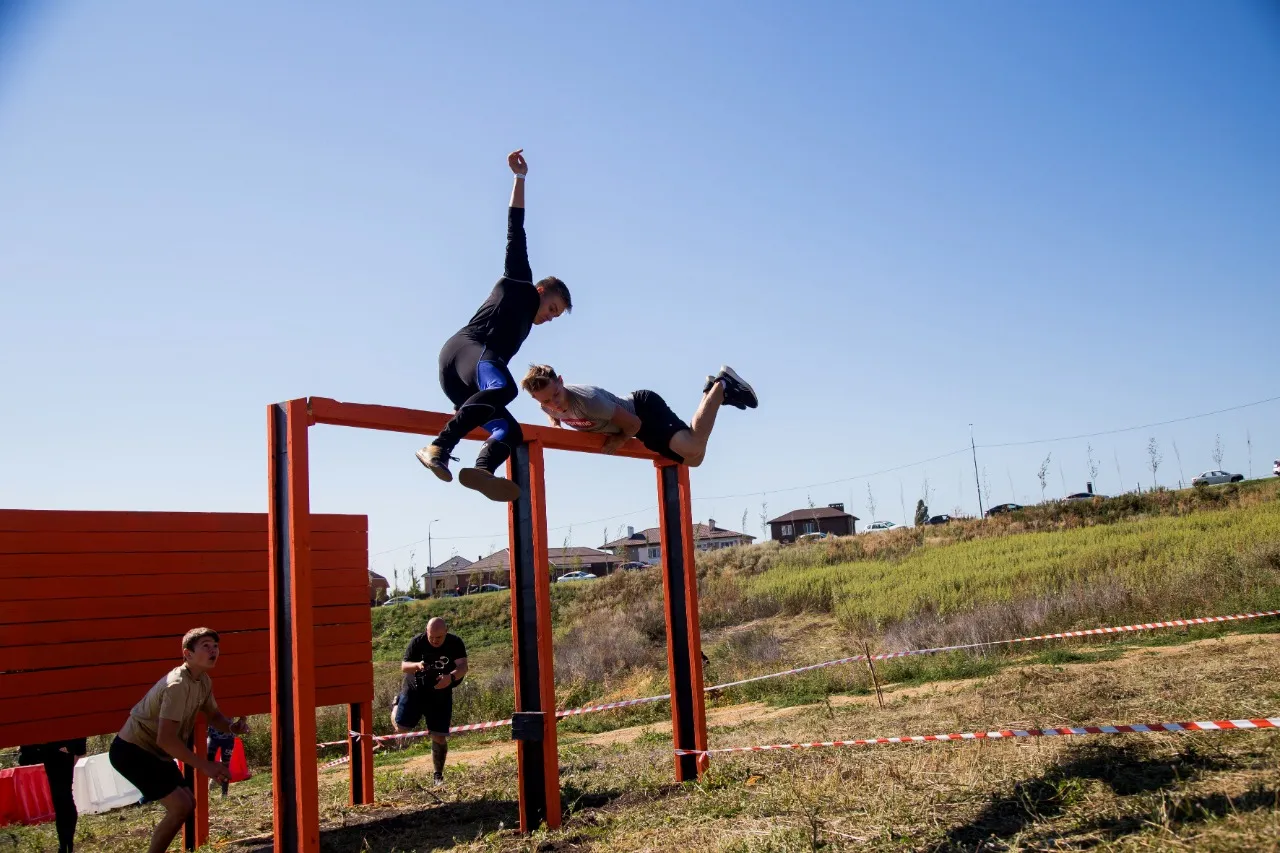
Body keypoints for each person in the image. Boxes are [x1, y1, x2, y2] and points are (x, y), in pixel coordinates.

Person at [416, 149, 572, 502]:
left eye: (555, 316)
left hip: (465, 385)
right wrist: (520, 179)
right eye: (552, 308)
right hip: (468, 351)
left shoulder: (524, 326)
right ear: (542, 290)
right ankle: (438, 446)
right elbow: (515, 229)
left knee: (509, 430)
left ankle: (483, 469)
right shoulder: (520, 281)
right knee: (506, 389)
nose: (549, 317)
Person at [108, 628, 249, 853]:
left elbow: (213, 716)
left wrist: (232, 727)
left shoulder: (202, 680)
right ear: (188, 654)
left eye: (215, 646)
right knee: (180, 806)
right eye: (206, 646)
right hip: (132, 751)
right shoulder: (177, 685)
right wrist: (206, 766)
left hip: (156, 752)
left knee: (187, 804)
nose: (214, 650)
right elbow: (166, 739)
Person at [520, 365, 757, 466]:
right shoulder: (548, 405)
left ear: (561, 381)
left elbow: (633, 423)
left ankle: (722, 385)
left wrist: (619, 441)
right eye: (546, 400)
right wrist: (555, 425)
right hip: (637, 423)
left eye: (557, 394)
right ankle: (712, 392)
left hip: (642, 411)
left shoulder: (589, 401)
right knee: (695, 459)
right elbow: (552, 413)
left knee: (693, 446)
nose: (555, 403)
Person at [394, 617, 468, 785]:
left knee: (439, 736)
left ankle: (438, 776)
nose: (434, 641)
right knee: (401, 728)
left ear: (446, 632)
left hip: (441, 693)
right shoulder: (417, 642)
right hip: (415, 691)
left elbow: (463, 666)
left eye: (439, 638)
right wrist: (418, 665)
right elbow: (404, 666)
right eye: (431, 637)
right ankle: (396, 705)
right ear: (426, 632)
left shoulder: (455, 642)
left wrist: (451, 677)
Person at [17, 738, 86, 853]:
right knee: (62, 797)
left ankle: (65, 846)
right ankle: (66, 845)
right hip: (57, 747)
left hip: (57, 747)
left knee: (62, 797)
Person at [206, 723, 236, 797]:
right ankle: (211, 782)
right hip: (213, 736)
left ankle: (224, 794)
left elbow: (243, 715)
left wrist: (242, 721)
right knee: (208, 762)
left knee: (226, 765)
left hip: (228, 738)